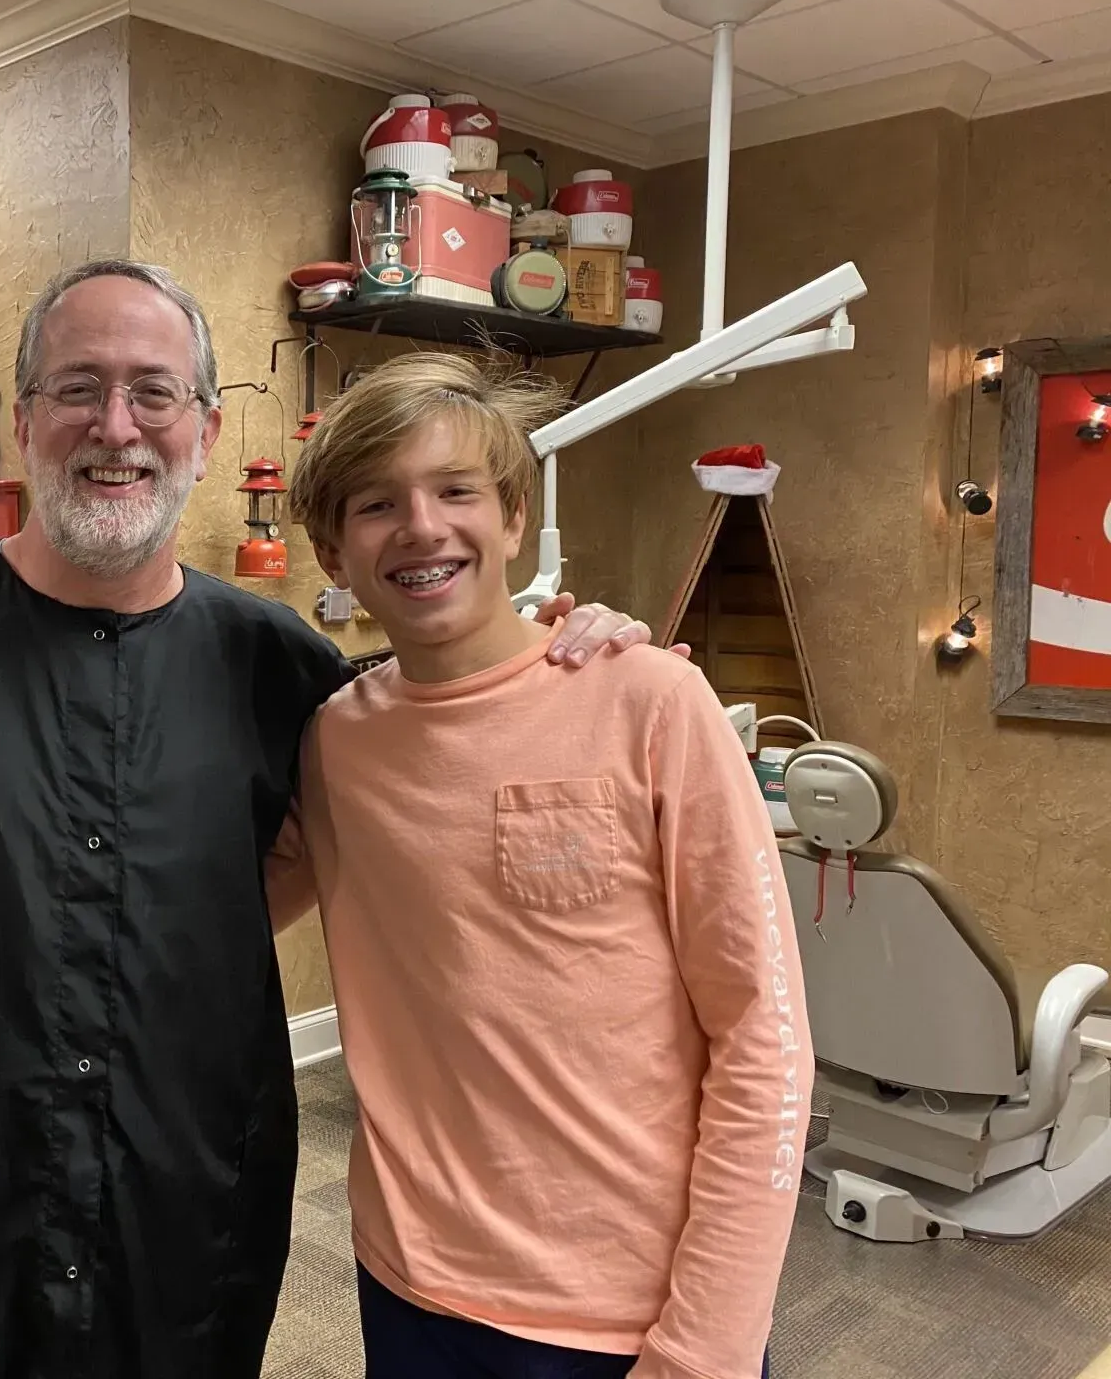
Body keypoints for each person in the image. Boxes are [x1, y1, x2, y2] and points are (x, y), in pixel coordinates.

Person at [0, 259, 665, 1379]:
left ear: (205, 431)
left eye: (155, 392)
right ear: (23, 422)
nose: (119, 426)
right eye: (79, 388)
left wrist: (575, 661)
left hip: (178, 1246)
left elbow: (459, 739)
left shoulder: (283, 672)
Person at [270, 350, 812, 1379]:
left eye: (457, 490)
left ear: (515, 518)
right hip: (410, 1287)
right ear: (334, 554)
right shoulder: (335, 742)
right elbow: (216, 910)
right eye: (377, 504)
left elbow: (763, 1040)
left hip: (627, 1317)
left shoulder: (648, 700)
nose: (422, 526)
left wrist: (710, 1343)